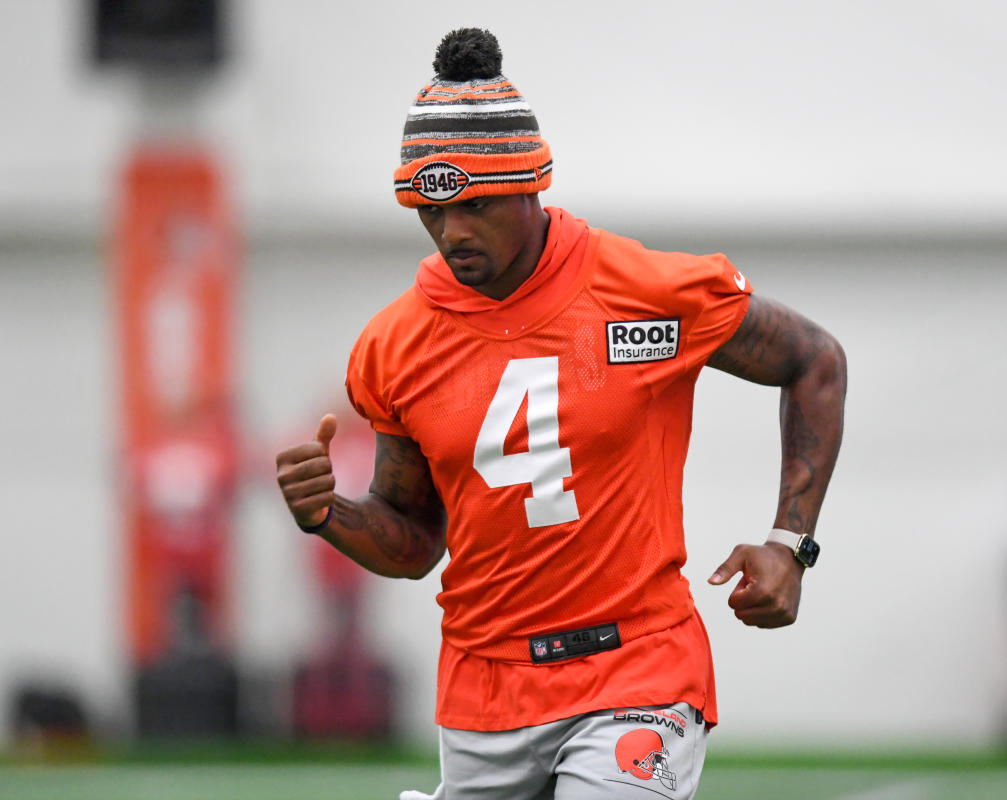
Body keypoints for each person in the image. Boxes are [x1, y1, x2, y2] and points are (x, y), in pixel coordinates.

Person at [275, 28, 847, 800]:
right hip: (486, 691)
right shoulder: (393, 345)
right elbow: (413, 542)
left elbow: (814, 360)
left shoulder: (644, 291)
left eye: (475, 205)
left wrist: (791, 541)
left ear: (532, 184)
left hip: (636, 667)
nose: (453, 233)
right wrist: (328, 514)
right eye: (430, 210)